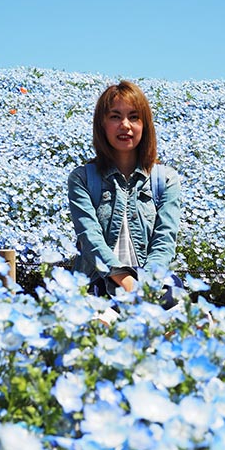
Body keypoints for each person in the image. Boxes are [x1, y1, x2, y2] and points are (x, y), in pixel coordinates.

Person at [68, 80, 182, 308]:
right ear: (102, 124)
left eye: (134, 117)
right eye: (115, 116)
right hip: (97, 285)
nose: (125, 125)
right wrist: (127, 282)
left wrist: (146, 285)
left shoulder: (166, 179)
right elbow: (91, 240)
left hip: (152, 285)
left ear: (145, 124)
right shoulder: (82, 178)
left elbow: (164, 242)